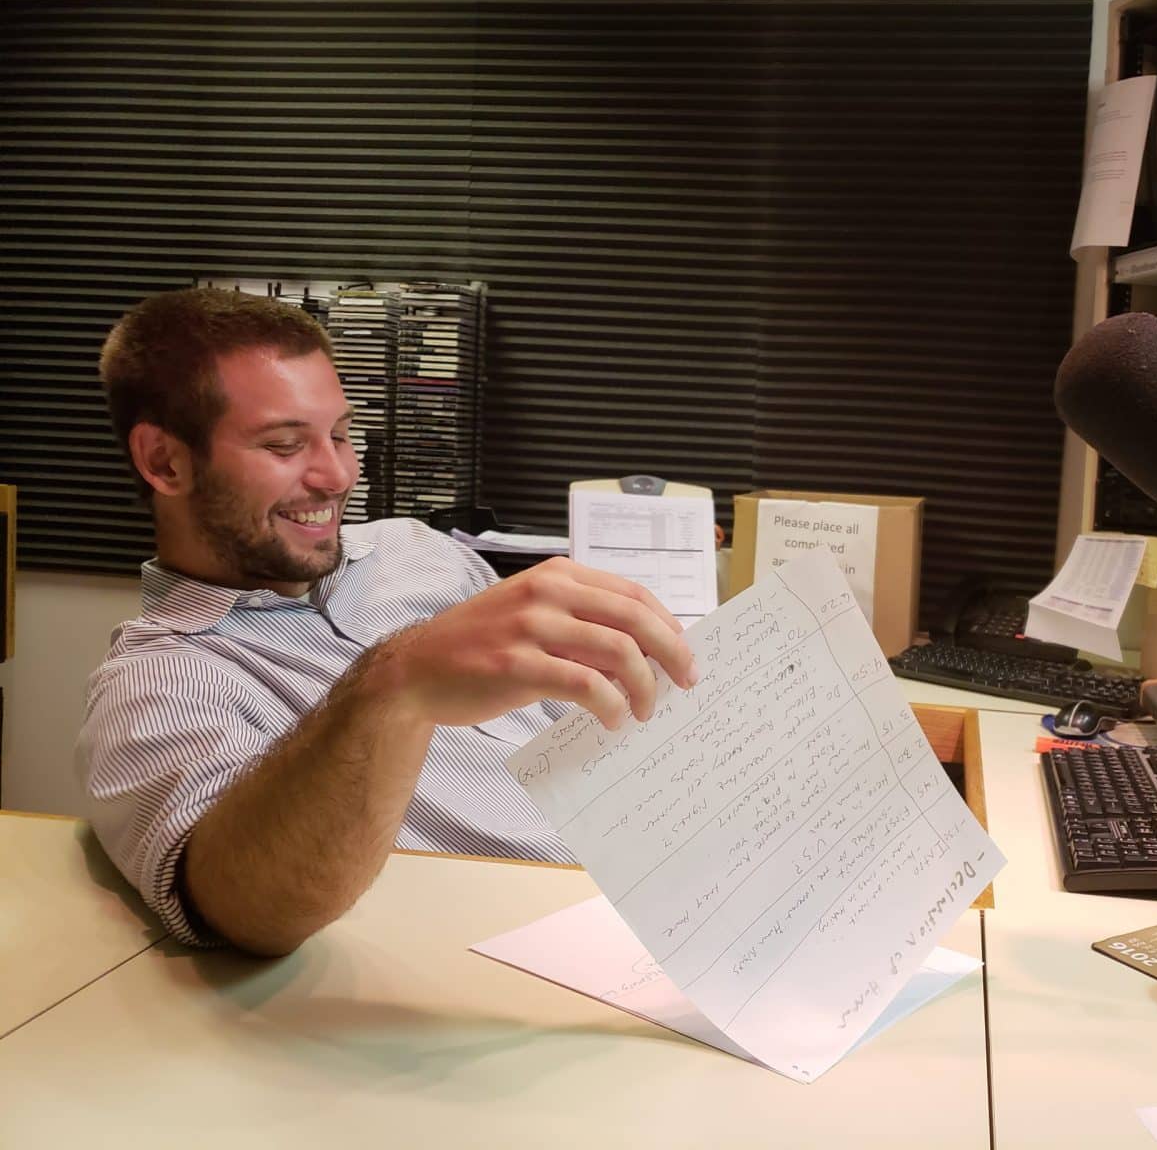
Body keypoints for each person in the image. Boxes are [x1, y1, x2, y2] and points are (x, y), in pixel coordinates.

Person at [78, 288, 697, 957]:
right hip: (547, 958)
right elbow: (245, 909)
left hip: (682, 888)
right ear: (165, 462)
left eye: (342, 435)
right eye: (285, 445)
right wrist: (396, 682)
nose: (337, 474)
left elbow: (586, 729)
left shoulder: (416, 551)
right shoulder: (157, 684)